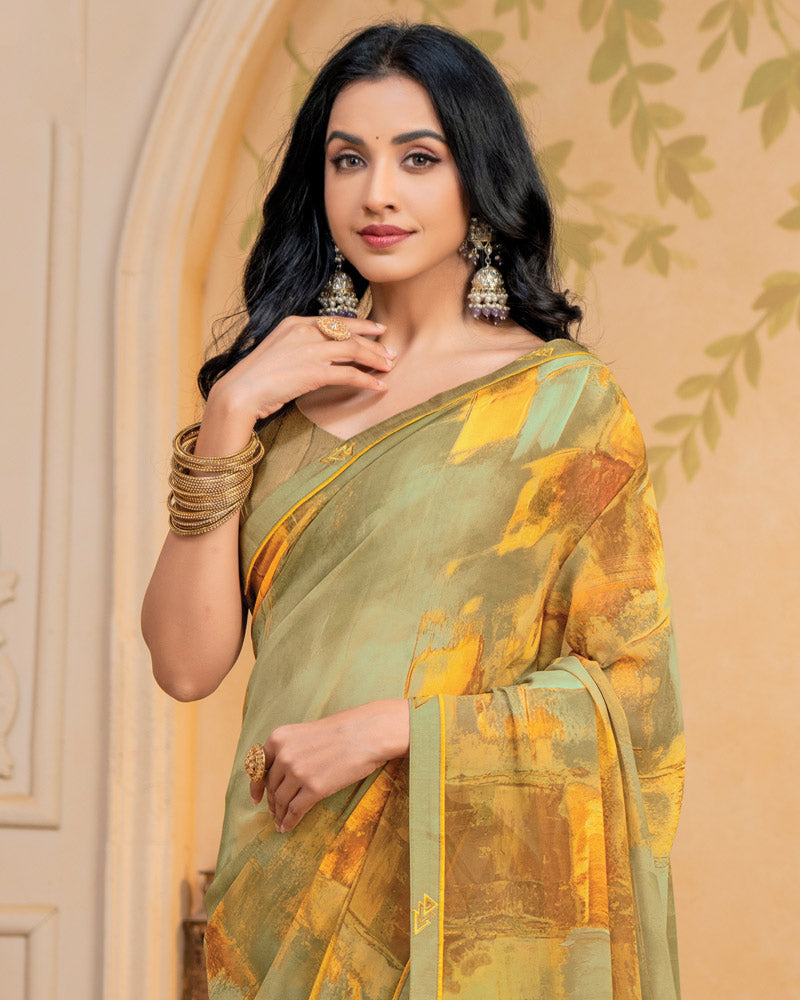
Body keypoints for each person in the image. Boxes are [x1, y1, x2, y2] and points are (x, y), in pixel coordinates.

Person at [141, 20, 685, 1000]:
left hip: (458, 914)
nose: (376, 193)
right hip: (279, 887)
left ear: (477, 178)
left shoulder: (563, 408)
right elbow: (185, 664)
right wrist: (230, 409)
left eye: (417, 158)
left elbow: (631, 699)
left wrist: (398, 728)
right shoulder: (275, 401)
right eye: (347, 159)